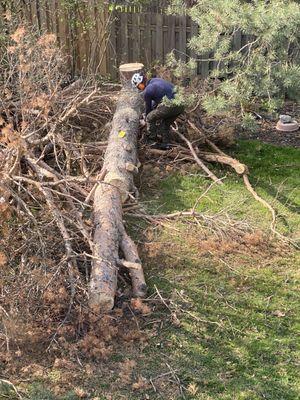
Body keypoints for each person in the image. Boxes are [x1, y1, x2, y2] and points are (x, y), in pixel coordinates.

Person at [131, 72, 184, 144]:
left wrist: (145, 118)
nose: (138, 88)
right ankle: (166, 144)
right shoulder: (155, 80)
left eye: (138, 86)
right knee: (165, 125)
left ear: (140, 82)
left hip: (171, 104)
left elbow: (148, 109)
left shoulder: (148, 91)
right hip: (181, 104)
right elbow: (156, 101)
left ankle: (151, 140)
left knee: (149, 118)